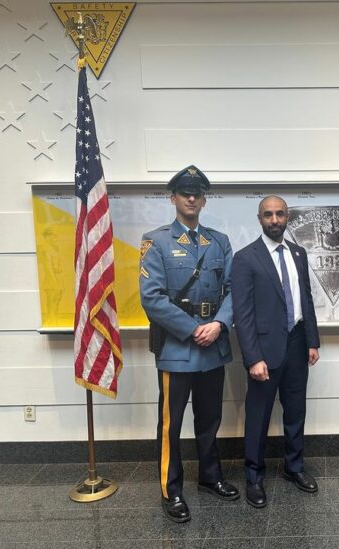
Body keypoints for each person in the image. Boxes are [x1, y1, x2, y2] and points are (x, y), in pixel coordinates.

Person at [139, 165, 239, 523]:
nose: (191, 198)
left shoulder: (219, 242)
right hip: (177, 348)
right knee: (171, 423)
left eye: (197, 193)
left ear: (204, 199)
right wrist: (191, 329)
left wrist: (219, 324)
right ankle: (172, 488)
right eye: (185, 192)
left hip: (212, 343)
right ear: (174, 198)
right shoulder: (157, 241)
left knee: (210, 418)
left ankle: (210, 476)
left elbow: (232, 291)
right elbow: (151, 298)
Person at [232, 195, 321, 508]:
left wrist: (312, 341)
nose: (274, 219)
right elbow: (241, 316)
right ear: (260, 219)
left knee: (296, 411)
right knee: (259, 416)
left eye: (279, 214)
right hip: (264, 352)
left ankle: (293, 467)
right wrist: (253, 358)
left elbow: (305, 299)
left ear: (288, 218)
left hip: (297, 344)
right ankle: (254, 477)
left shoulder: (298, 252)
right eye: (268, 214)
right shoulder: (245, 258)